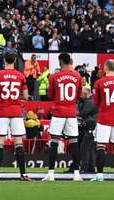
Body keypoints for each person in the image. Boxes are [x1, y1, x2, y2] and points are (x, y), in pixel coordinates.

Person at [42, 53, 84, 181]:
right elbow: (79, 96)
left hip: (58, 112)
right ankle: (77, 174)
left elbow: (50, 95)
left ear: (60, 61)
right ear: (70, 61)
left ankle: (51, 173)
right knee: (74, 143)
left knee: (54, 142)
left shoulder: (54, 76)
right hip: (71, 113)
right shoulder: (77, 76)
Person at [0, 51, 29, 180]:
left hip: (2, 111)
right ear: (15, 60)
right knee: (18, 143)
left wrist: (2, 96)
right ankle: (23, 174)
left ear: (4, 60)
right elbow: (26, 96)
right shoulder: (20, 75)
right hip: (16, 111)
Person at [91, 59, 114, 182]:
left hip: (103, 118)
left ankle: (100, 176)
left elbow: (95, 102)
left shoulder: (99, 82)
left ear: (106, 68)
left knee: (101, 146)